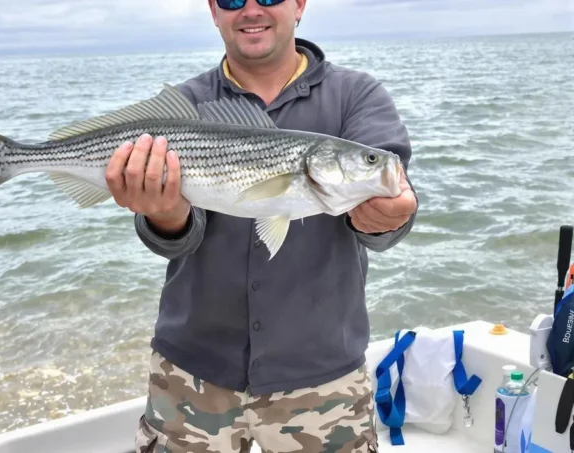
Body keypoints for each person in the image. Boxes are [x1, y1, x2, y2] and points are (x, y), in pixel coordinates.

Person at [104, 0, 418, 451]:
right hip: (191, 373)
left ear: (300, 5)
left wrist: (388, 217)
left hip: (323, 379)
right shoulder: (184, 108)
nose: (252, 9)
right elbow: (171, 239)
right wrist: (165, 216)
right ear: (214, 11)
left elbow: (393, 200)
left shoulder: (356, 96)